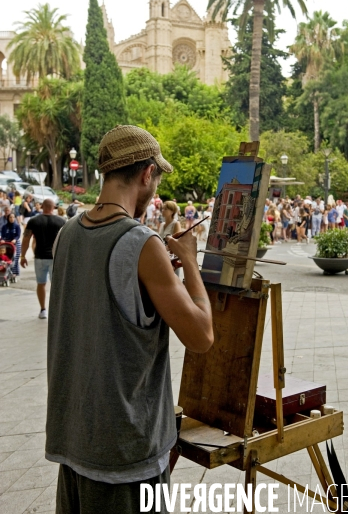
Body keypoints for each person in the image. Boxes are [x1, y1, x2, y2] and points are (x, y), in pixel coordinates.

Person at [45, 125, 213, 513]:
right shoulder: (141, 243)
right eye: (156, 179)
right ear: (146, 174)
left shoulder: (67, 234)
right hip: (123, 456)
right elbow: (202, 336)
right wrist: (188, 261)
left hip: (74, 439)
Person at [20, 198, 66, 319]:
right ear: (53, 207)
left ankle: (43, 309)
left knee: (41, 284)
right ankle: (56, 311)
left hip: (39, 256)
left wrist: (23, 256)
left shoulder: (34, 221)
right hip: (55, 258)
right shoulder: (61, 221)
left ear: (42, 207)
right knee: (56, 285)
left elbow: (26, 239)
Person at [0, 212, 21, 276]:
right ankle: (6, 272)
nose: (11, 219)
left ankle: (15, 272)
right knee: (6, 258)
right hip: (6, 244)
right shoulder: (4, 227)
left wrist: (15, 239)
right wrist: (2, 239)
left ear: (15, 218)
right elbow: (2, 235)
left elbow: (18, 235)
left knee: (15, 258)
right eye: (10, 217)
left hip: (15, 243)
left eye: (13, 217)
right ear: (8, 218)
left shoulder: (17, 226)